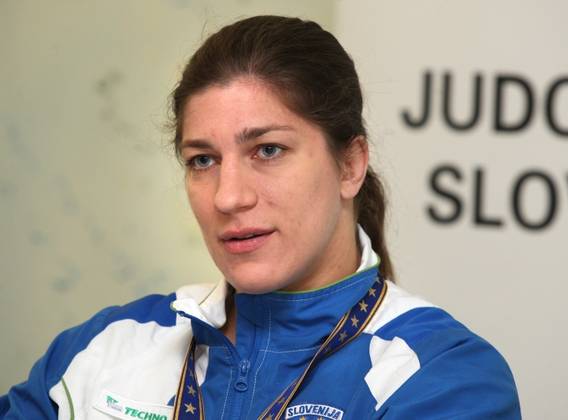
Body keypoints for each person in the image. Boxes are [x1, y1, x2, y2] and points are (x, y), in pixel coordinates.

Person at [0, 15, 520, 419]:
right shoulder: (104, 347)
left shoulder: (441, 375)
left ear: (350, 165)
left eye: (268, 150)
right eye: (203, 160)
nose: (228, 197)